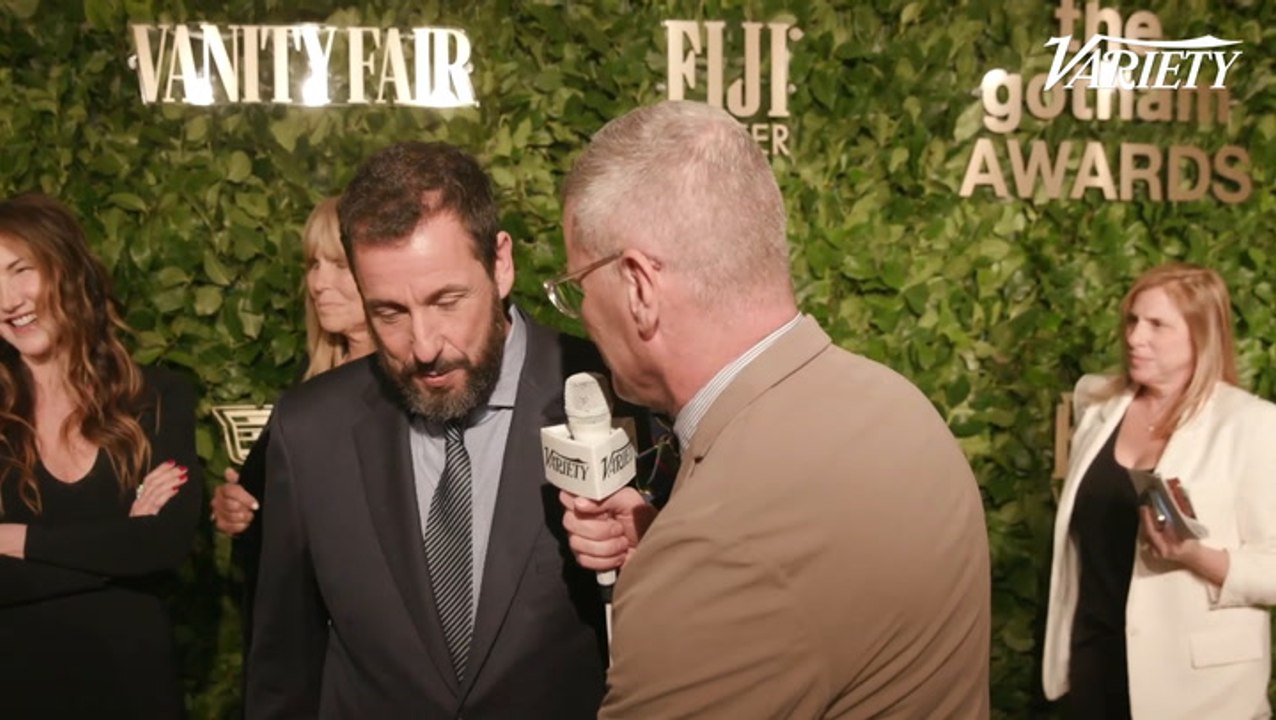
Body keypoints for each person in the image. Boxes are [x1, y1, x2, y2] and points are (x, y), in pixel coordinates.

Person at [552, 100, 991, 718]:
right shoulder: (900, 405)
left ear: (639, 288)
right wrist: (667, 541)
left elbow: (752, 561)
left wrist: (682, 566)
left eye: (577, 286)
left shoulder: (718, 544)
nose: (582, 315)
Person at [246, 141, 649, 718]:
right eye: (389, 312)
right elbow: (283, 670)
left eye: (447, 300)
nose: (425, 345)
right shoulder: (310, 431)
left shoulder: (614, 394)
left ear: (501, 263)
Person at [1043, 263, 1276, 719]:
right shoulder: (1098, 408)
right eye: (1132, 320)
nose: (1134, 337)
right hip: (1095, 669)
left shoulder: (1252, 424)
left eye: (1156, 325)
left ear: (1201, 336)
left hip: (1202, 693)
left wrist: (1194, 556)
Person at [0, 192, 201, 718]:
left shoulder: (158, 399)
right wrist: (120, 548)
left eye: (22, 270)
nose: (8, 299)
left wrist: (17, 539)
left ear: (67, 270)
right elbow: (141, 552)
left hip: (135, 691)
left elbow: (164, 544)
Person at [209, 197, 374, 648]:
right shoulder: (308, 382)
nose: (319, 282)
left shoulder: (411, 388)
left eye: (339, 265)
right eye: (313, 264)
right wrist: (238, 509)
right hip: (299, 642)